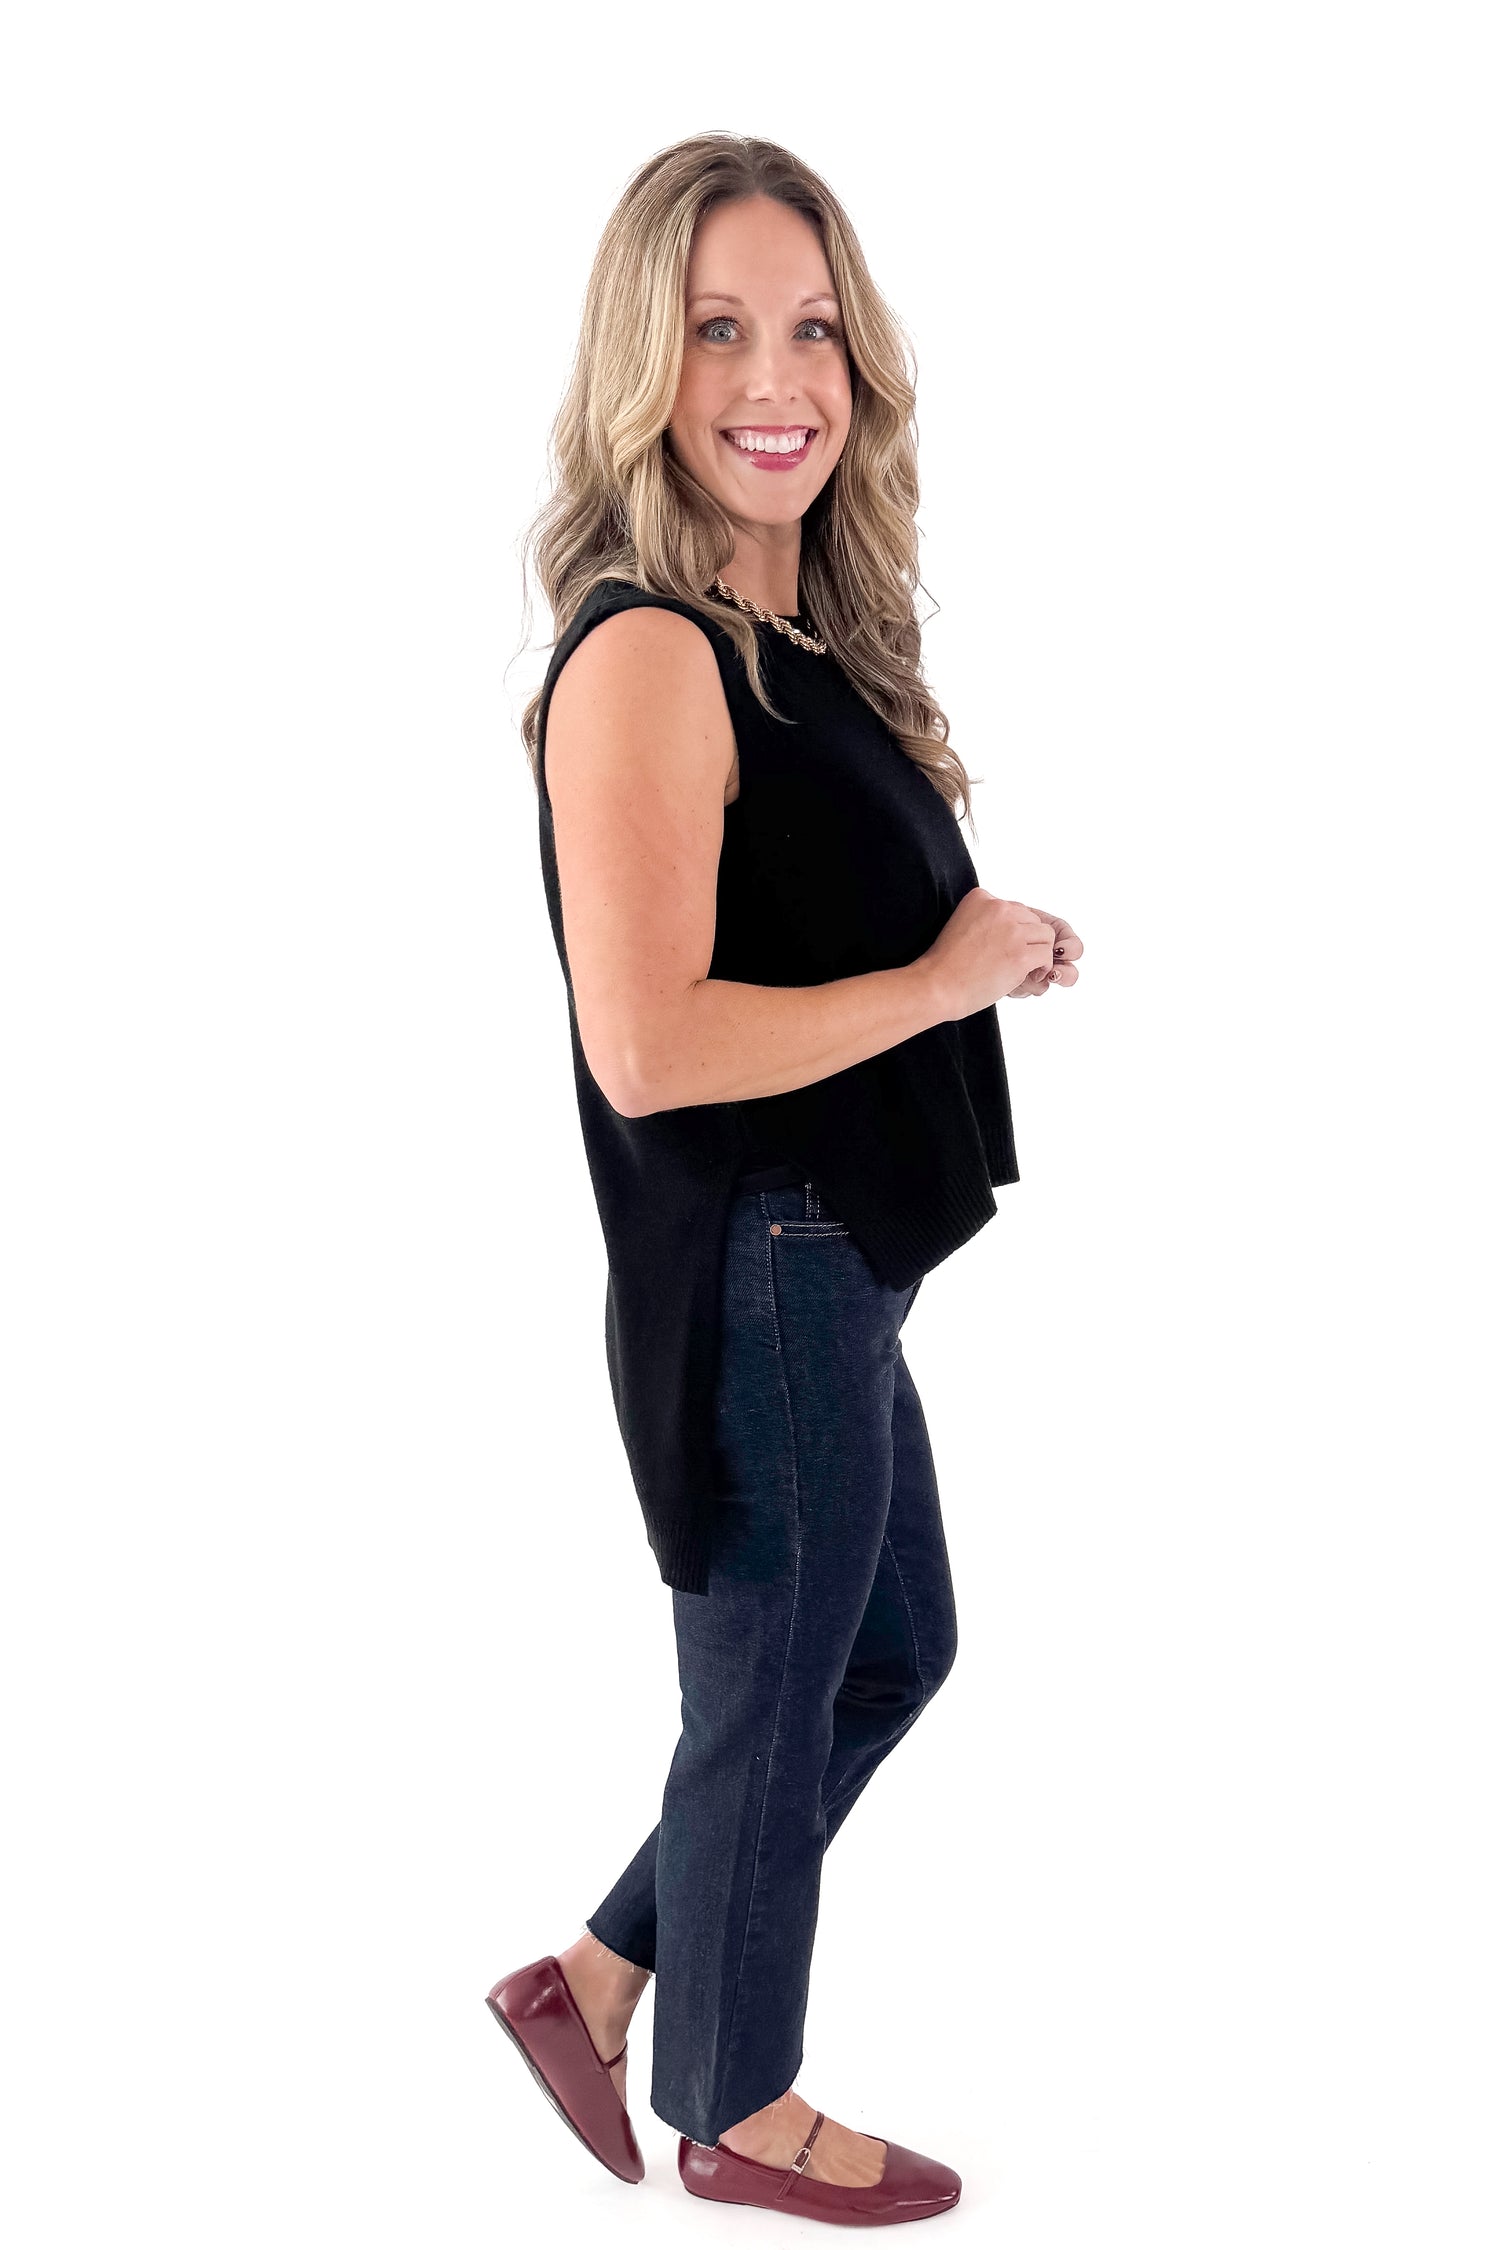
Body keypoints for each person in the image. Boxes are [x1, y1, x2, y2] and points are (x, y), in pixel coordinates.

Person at [486, 134, 1082, 2227]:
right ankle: (736, 2103)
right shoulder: (647, 650)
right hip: (765, 1262)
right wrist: (936, 981)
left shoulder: (788, 641)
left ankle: (597, 1978)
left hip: (837, 1262)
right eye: (719, 327)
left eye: (813, 328)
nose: (777, 377)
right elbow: (649, 1045)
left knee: (884, 1647)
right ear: (640, 368)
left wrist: (964, 946)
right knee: (770, 1689)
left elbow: (801, 929)